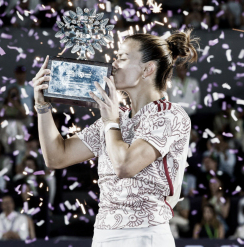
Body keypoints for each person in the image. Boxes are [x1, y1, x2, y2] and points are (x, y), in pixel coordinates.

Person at [32, 29, 199, 246]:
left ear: (148, 69)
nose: (114, 64)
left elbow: (125, 166)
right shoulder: (114, 115)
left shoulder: (170, 114)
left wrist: (111, 122)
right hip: (103, 235)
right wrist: (42, 106)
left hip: (145, 235)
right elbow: (56, 157)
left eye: (122, 57)